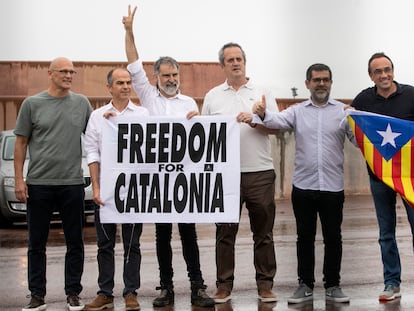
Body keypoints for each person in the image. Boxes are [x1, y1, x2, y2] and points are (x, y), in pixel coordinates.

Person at [122, 5, 214, 308]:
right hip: (159, 181)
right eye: (166, 74)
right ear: (156, 77)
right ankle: (166, 288)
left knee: (189, 236)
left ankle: (198, 286)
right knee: (162, 237)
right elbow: (133, 63)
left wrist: (198, 123)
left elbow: (202, 142)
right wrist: (129, 31)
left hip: (185, 180)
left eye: (175, 74)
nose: (171, 78)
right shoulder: (148, 97)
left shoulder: (190, 102)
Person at [239, 63, 355, 304]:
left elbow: (357, 140)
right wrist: (260, 113)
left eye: (325, 79)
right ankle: (305, 285)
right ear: (307, 84)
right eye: (316, 80)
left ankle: (333, 285)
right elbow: (276, 120)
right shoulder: (297, 111)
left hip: (333, 187)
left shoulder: (344, 112)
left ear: (331, 83)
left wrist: (358, 120)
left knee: (333, 238)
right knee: (304, 237)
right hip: (304, 187)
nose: (321, 84)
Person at [202, 42, 278, 303]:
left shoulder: (262, 92)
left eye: (239, 59)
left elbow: (277, 129)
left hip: (260, 172)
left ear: (245, 62)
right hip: (225, 175)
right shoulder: (212, 96)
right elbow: (205, 137)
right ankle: (224, 286)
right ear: (222, 65)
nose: (235, 63)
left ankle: (265, 285)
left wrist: (258, 118)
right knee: (225, 233)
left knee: (264, 233)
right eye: (230, 59)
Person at [14, 57, 92, 311]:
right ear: (50, 73)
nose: (69, 75)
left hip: (72, 183)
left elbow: (97, 135)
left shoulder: (82, 104)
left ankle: (73, 294)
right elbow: (21, 143)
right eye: (64, 71)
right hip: (39, 184)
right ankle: (37, 296)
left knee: (75, 242)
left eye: (72, 71)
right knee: (36, 243)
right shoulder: (32, 104)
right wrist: (19, 179)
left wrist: (111, 116)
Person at [83, 68, 148, 311]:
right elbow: (92, 153)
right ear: (109, 87)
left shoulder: (143, 114)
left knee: (133, 244)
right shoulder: (98, 116)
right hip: (106, 193)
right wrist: (96, 187)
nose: (125, 86)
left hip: (134, 191)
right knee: (105, 244)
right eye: (120, 82)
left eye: (128, 82)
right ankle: (105, 292)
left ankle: (131, 292)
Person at [351, 52, 414, 301]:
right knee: (386, 233)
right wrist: (349, 113)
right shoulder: (364, 99)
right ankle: (391, 283)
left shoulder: (411, 95)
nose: (384, 75)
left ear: (393, 71)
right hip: (379, 177)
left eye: (387, 69)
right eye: (378, 71)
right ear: (371, 76)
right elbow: (353, 128)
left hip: (411, 177)